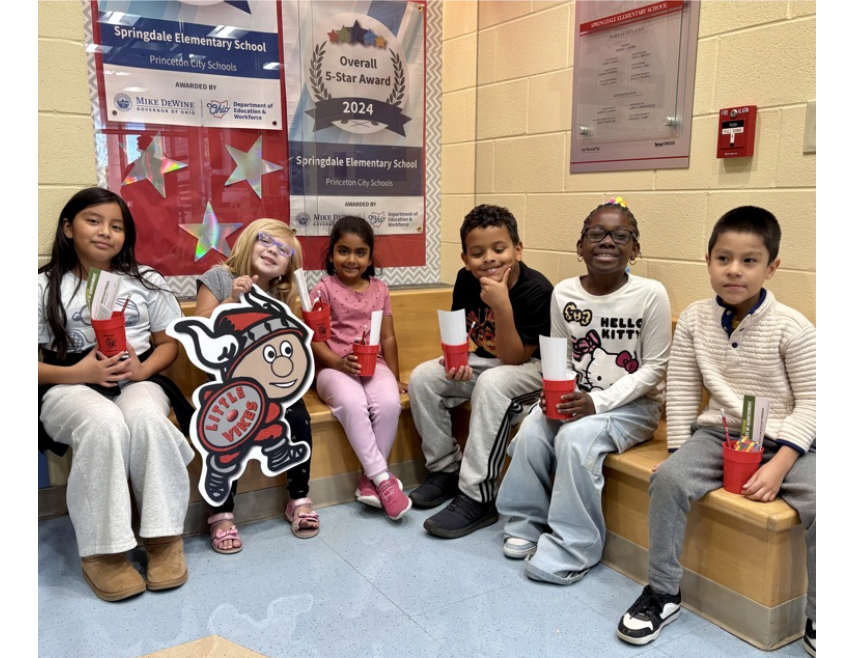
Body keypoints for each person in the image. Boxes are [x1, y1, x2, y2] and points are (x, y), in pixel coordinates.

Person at [616, 206, 816, 657]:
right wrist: (678, 453)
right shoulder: (694, 319)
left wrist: (782, 463)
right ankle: (664, 594)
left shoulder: (794, 328)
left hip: (792, 442)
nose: (734, 270)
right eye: (723, 258)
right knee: (667, 480)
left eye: (749, 261)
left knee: (827, 500)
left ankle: (823, 614)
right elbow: (684, 389)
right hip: (721, 434)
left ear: (772, 267)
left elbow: (816, 403)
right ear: (707, 260)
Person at [496, 198, 671, 584]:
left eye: (620, 235)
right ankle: (526, 521)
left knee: (575, 439)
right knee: (532, 427)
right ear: (580, 247)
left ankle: (574, 546)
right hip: (581, 397)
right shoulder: (564, 293)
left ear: (634, 249)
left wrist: (598, 402)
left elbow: (656, 368)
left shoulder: (651, 294)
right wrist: (557, 393)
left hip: (633, 408)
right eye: (596, 234)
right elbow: (562, 359)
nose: (607, 241)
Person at [38, 187, 193, 602]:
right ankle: (103, 553)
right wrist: (78, 371)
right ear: (68, 228)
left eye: (117, 225)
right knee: (103, 422)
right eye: (94, 221)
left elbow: (168, 344)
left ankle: (163, 537)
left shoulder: (146, 281)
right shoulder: (41, 286)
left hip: (136, 378)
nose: (106, 232)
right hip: (65, 384)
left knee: (144, 419)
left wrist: (142, 368)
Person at [407, 204, 553, 538]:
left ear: (517, 249)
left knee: (493, 381)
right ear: (465, 259)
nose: (489, 258)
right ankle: (445, 469)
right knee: (424, 377)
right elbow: (459, 331)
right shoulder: (466, 280)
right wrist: (454, 360)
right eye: (477, 252)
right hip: (487, 362)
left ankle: (478, 496)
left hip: (533, 370)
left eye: (499, 249)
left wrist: (501, 304)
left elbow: (515, 359)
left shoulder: (536, 290)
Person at [195, 218, 318, 552]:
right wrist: (232, 301)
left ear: (286, 269)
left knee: (297, 415)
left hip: (270, 383)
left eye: (283, 251)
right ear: (249, 240)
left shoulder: (280, 295)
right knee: (226, 431)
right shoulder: (220, 277)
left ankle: (299, 497)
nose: (272, 251)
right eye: (266, 241)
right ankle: (220, 513)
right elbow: (202, 332)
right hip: (226, 382)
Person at [310, 216, 411, 520]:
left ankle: (369, 481)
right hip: (333, 369)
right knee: (355, 403)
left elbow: (388, 337)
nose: (351, 259)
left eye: (359, 252)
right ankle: (383, 478)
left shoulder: (380, 290)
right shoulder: (323, 289)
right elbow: (314, 340)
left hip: (374, 364)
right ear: (330, 254)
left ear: (369, 257)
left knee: (390, 402)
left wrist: (394, 377)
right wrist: (339, 363)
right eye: (343, 251)